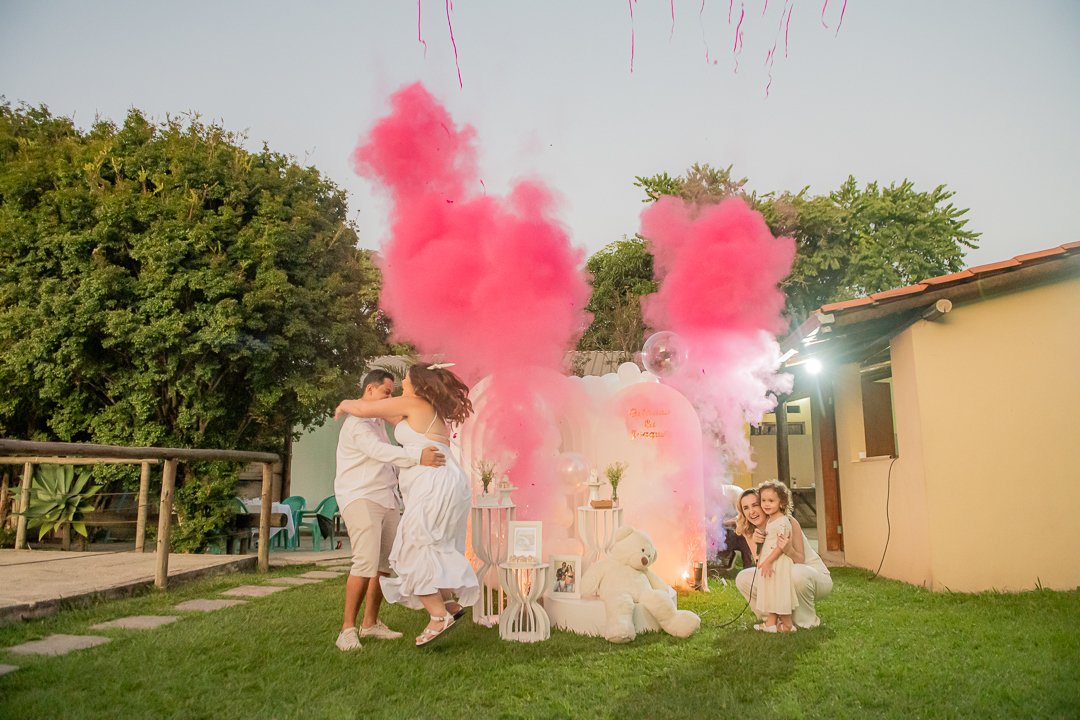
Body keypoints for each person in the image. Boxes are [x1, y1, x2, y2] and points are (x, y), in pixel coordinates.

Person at [335, 362, 479, 647]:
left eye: (402, 384)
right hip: (447, 481)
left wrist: (343, 403)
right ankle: (447, 602)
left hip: (433, 482)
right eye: (389, 392)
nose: (399, 390)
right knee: (432, 543)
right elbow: (383, 417)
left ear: (417, 382)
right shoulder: (423, 408)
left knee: (412, 547)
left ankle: (438, 615)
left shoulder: (413, 402)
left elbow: (363, 408)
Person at [734, 486, 833, 629]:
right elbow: (761, 565)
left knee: (796, 572)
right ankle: (772, 621)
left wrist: (788, 550)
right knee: (743, 578)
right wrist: (758, 543)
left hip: (811, 575)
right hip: (781, 575)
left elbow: (800, 560)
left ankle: (805, 621)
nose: (751, 512)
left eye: (755, 505)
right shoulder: (749, 530)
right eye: (746, 508)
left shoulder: (787, 521)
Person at [752, 480, 799, 632]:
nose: (766, 504)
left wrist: (768, 561)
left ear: (782, 503)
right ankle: (771, 622)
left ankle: (787, 624)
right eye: (763, 500)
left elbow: (781, 546)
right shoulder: (771, 520)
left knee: (779, 593)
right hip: (770, 561)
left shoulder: (782, 521)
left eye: (771, 501)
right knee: (771, 592)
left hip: (778, 562)